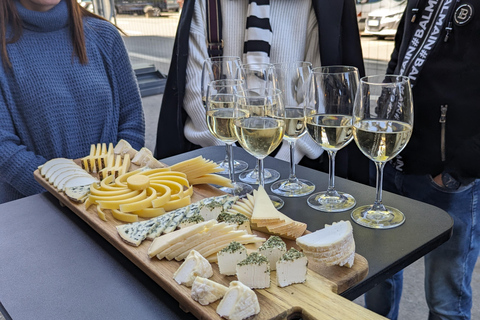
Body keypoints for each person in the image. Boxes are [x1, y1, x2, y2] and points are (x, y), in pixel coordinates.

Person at [154, 0, 370, 185]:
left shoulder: (318, 5)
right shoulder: (207, 4)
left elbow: (320, 93)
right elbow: (194, 90)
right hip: (215, 160)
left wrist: (282, 162)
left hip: (298, 163)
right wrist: (229, 159)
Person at [364, 1, 480, 319]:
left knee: (445, 301)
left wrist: (459, 170)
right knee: (377, 276)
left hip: (448, 180)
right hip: (392, 164)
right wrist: (379, 127)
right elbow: (398, 66)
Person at [0, 0, 145, 204]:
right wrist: (74, 192)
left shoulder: (104, 34)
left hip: (114, 201)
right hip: (34, 211)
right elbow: (4, 149)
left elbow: (131, 121)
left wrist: (111, 186)